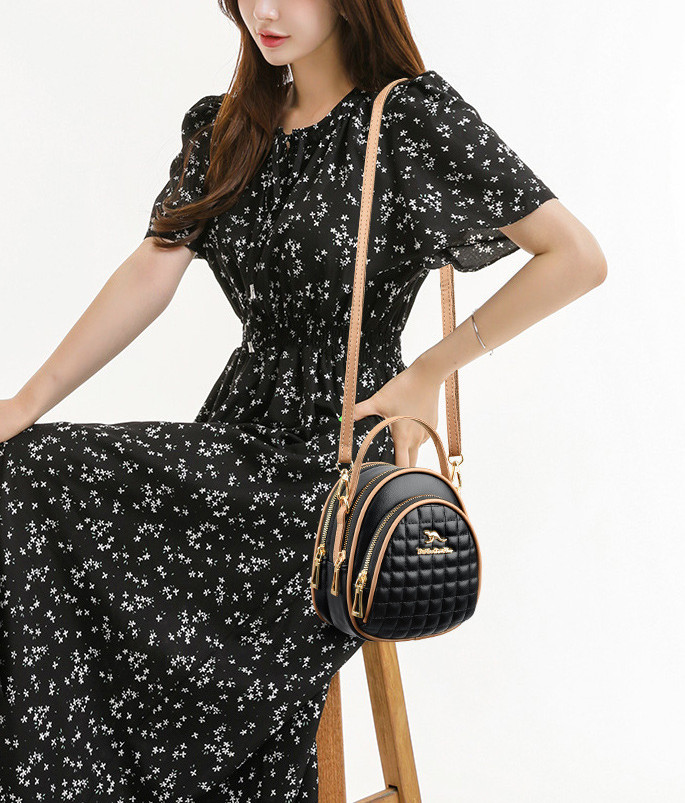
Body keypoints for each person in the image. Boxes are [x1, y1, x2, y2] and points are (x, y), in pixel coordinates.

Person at [0, 0, 607, 799]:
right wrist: (25, 400)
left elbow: (575, 256)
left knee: (46, 485)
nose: (265, 10)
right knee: (27, 467)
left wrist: (429, 371)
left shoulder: (407, 118)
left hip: (343, 455)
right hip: (237, 431)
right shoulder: (227, 127)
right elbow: (152, 268)